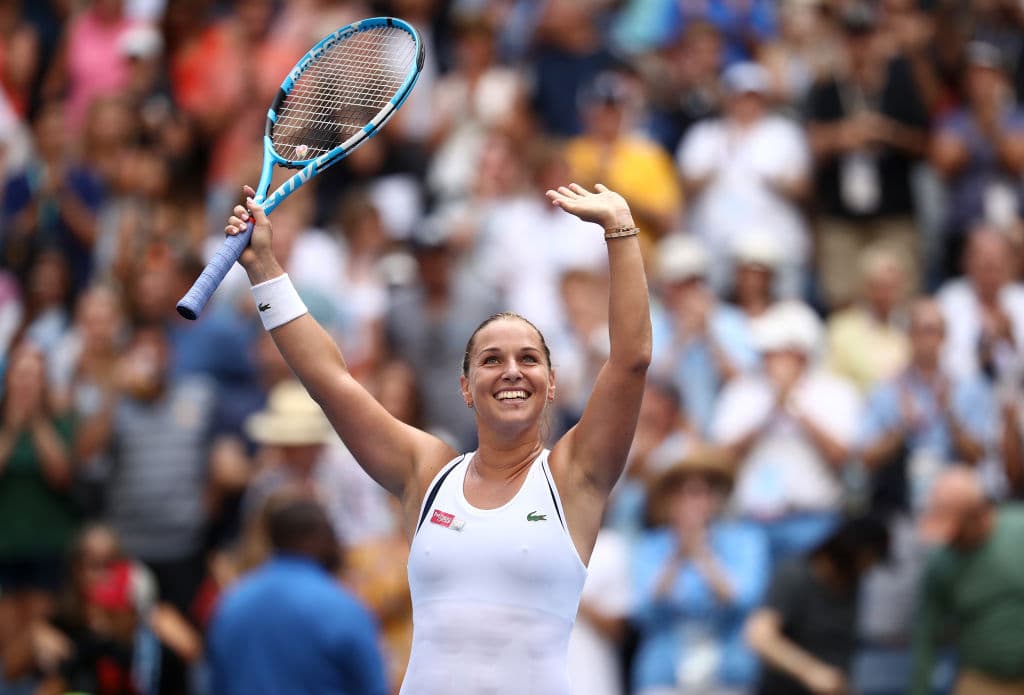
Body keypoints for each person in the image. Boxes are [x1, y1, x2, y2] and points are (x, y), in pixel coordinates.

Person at [222, 180, 651, 694]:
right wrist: (265, 269)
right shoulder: (427, 473)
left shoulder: (574, 476)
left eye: (529, 359)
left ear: (552, 385)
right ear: (466, 389)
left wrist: (620, 230)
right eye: (492, 360)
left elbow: (629, 361)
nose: (511, 370)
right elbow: (329, 380)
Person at [207, 497, 387, 695]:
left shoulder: (232, 604)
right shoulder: (343, 608)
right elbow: (372, 686)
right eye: (330, 534)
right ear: (315, 538)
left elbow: (217, 681)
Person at [631, 446, 770, 695]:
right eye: (681, 493)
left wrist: (703, 556)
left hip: (728, 675)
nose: (691, 502)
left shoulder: (746, 540)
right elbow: (642, 611)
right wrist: (676, 556)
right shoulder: (650, 546)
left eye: (700, 492)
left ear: (716, 498)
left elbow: (746, 601)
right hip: (664, 675)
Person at [746, 516, 891, 695]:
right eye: (869, 560)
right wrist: (810, 672)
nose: (869, 569)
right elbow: (759, 636)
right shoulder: (795, 575)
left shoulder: (853, 586)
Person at [911, 467, 1024, 695]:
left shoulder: (1018, 531)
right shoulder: (941, 564)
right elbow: (927, 637)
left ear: (979, 514)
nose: (950, 540)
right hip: (980, 679)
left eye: (957, 531)